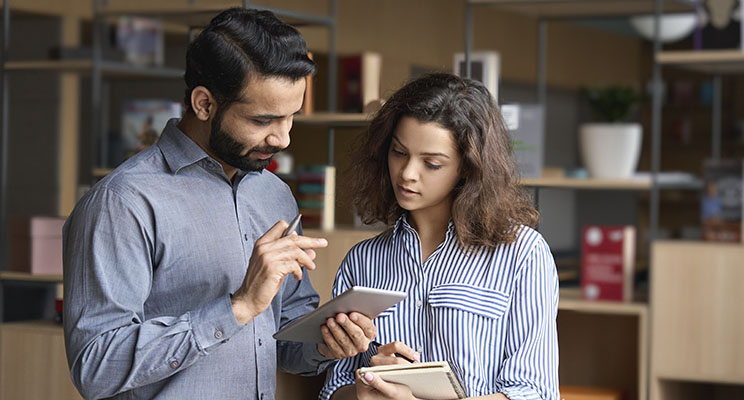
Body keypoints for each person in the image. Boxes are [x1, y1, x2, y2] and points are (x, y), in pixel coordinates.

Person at [63, 8, 376, 400]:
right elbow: (95, 366)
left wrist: (326, 343)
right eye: (264, 120)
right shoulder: (123, 202)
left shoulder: (274, 194)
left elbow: (284, 341)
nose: (283, 139)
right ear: (204, 104)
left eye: (291, 117)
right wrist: (238, 307)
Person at [320, 73, 560, 400]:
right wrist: (364, 390)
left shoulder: (523, 255)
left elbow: (533, 393)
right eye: (398, 152)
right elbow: (334, 389)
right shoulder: (363, 262)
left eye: (431, 163)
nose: (407, 173)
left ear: (467, 167)